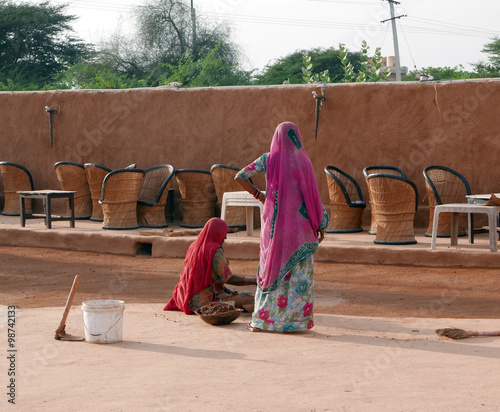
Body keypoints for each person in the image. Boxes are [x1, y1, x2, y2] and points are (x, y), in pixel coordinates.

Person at [235, 121, 328, 332]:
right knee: (298, 276)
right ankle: (295, 323)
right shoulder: (303, 162)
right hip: (300, 232)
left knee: (271, 270)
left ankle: (263, 321)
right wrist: (320, 224)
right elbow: (312, 197)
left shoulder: (268, 159)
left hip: (275, 230)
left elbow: (240, 176)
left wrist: (259, 195)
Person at [164, 217, 256, 314]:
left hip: (184, 298)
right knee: (252, 299)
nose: (225, 238)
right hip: (203, 302)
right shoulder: (214, 250)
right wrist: (254, 281)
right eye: (224, 234)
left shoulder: (194, 246)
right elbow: (229, 278)